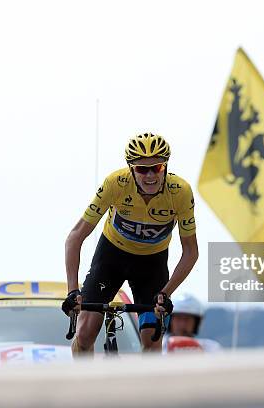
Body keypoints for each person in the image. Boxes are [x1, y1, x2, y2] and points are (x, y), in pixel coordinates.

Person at [62, 133, 199, 354]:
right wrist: (72, 291)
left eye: (157, 168)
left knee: (152, 343)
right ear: (130, 169)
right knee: (86, 333)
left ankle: (145, 388)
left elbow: (191, 252)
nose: (150, 175)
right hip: (111, 258)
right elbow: (75, 237)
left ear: (166, 166)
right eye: (142, 169)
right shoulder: (115, 183)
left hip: (152, 265)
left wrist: (166, 293)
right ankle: (85, 385)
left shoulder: (180, 192)